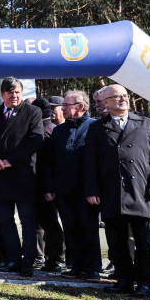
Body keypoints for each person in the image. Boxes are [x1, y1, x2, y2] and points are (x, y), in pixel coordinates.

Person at [85, 84, 150, 297]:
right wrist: (92, 190)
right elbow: (90, 163)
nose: (122, 99)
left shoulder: (146, 124)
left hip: (140, 191)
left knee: (144, 243)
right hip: (111, 191)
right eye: (116, 97)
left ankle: (145, 283)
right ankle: (124, 280)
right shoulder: (97, 128)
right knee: (116, 242)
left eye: (125, 96)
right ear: (105, 102)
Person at [0, 77, 44, 277]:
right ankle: (13, 258)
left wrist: (11, 161)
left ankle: (28, 261)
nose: (14, 96)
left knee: (27, 220)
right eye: (10, 92)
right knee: (5, 221)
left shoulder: (33, 111)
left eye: (17, 92)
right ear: (2, 95)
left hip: (23, 174)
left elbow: (36, 139)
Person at [44, 90, 101, 280]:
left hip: (87, 190)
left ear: (80, 107)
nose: (62, 109)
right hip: (64, 189)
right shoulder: (58, 131)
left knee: (89, 229)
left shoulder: (95, 127)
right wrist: (49, 187)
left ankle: (92, 269)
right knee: (70, 229)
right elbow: (50, 161)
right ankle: (76, 265)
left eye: (66, 106)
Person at [32, 98, 65, 271]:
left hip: (44, 186)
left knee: (48, 223)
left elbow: (46, 164)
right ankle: (54, 257)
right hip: (49, 185)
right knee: (49, 222)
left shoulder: (43, 132)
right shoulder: (54, 129)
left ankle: (56, 258)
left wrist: (47, 187)